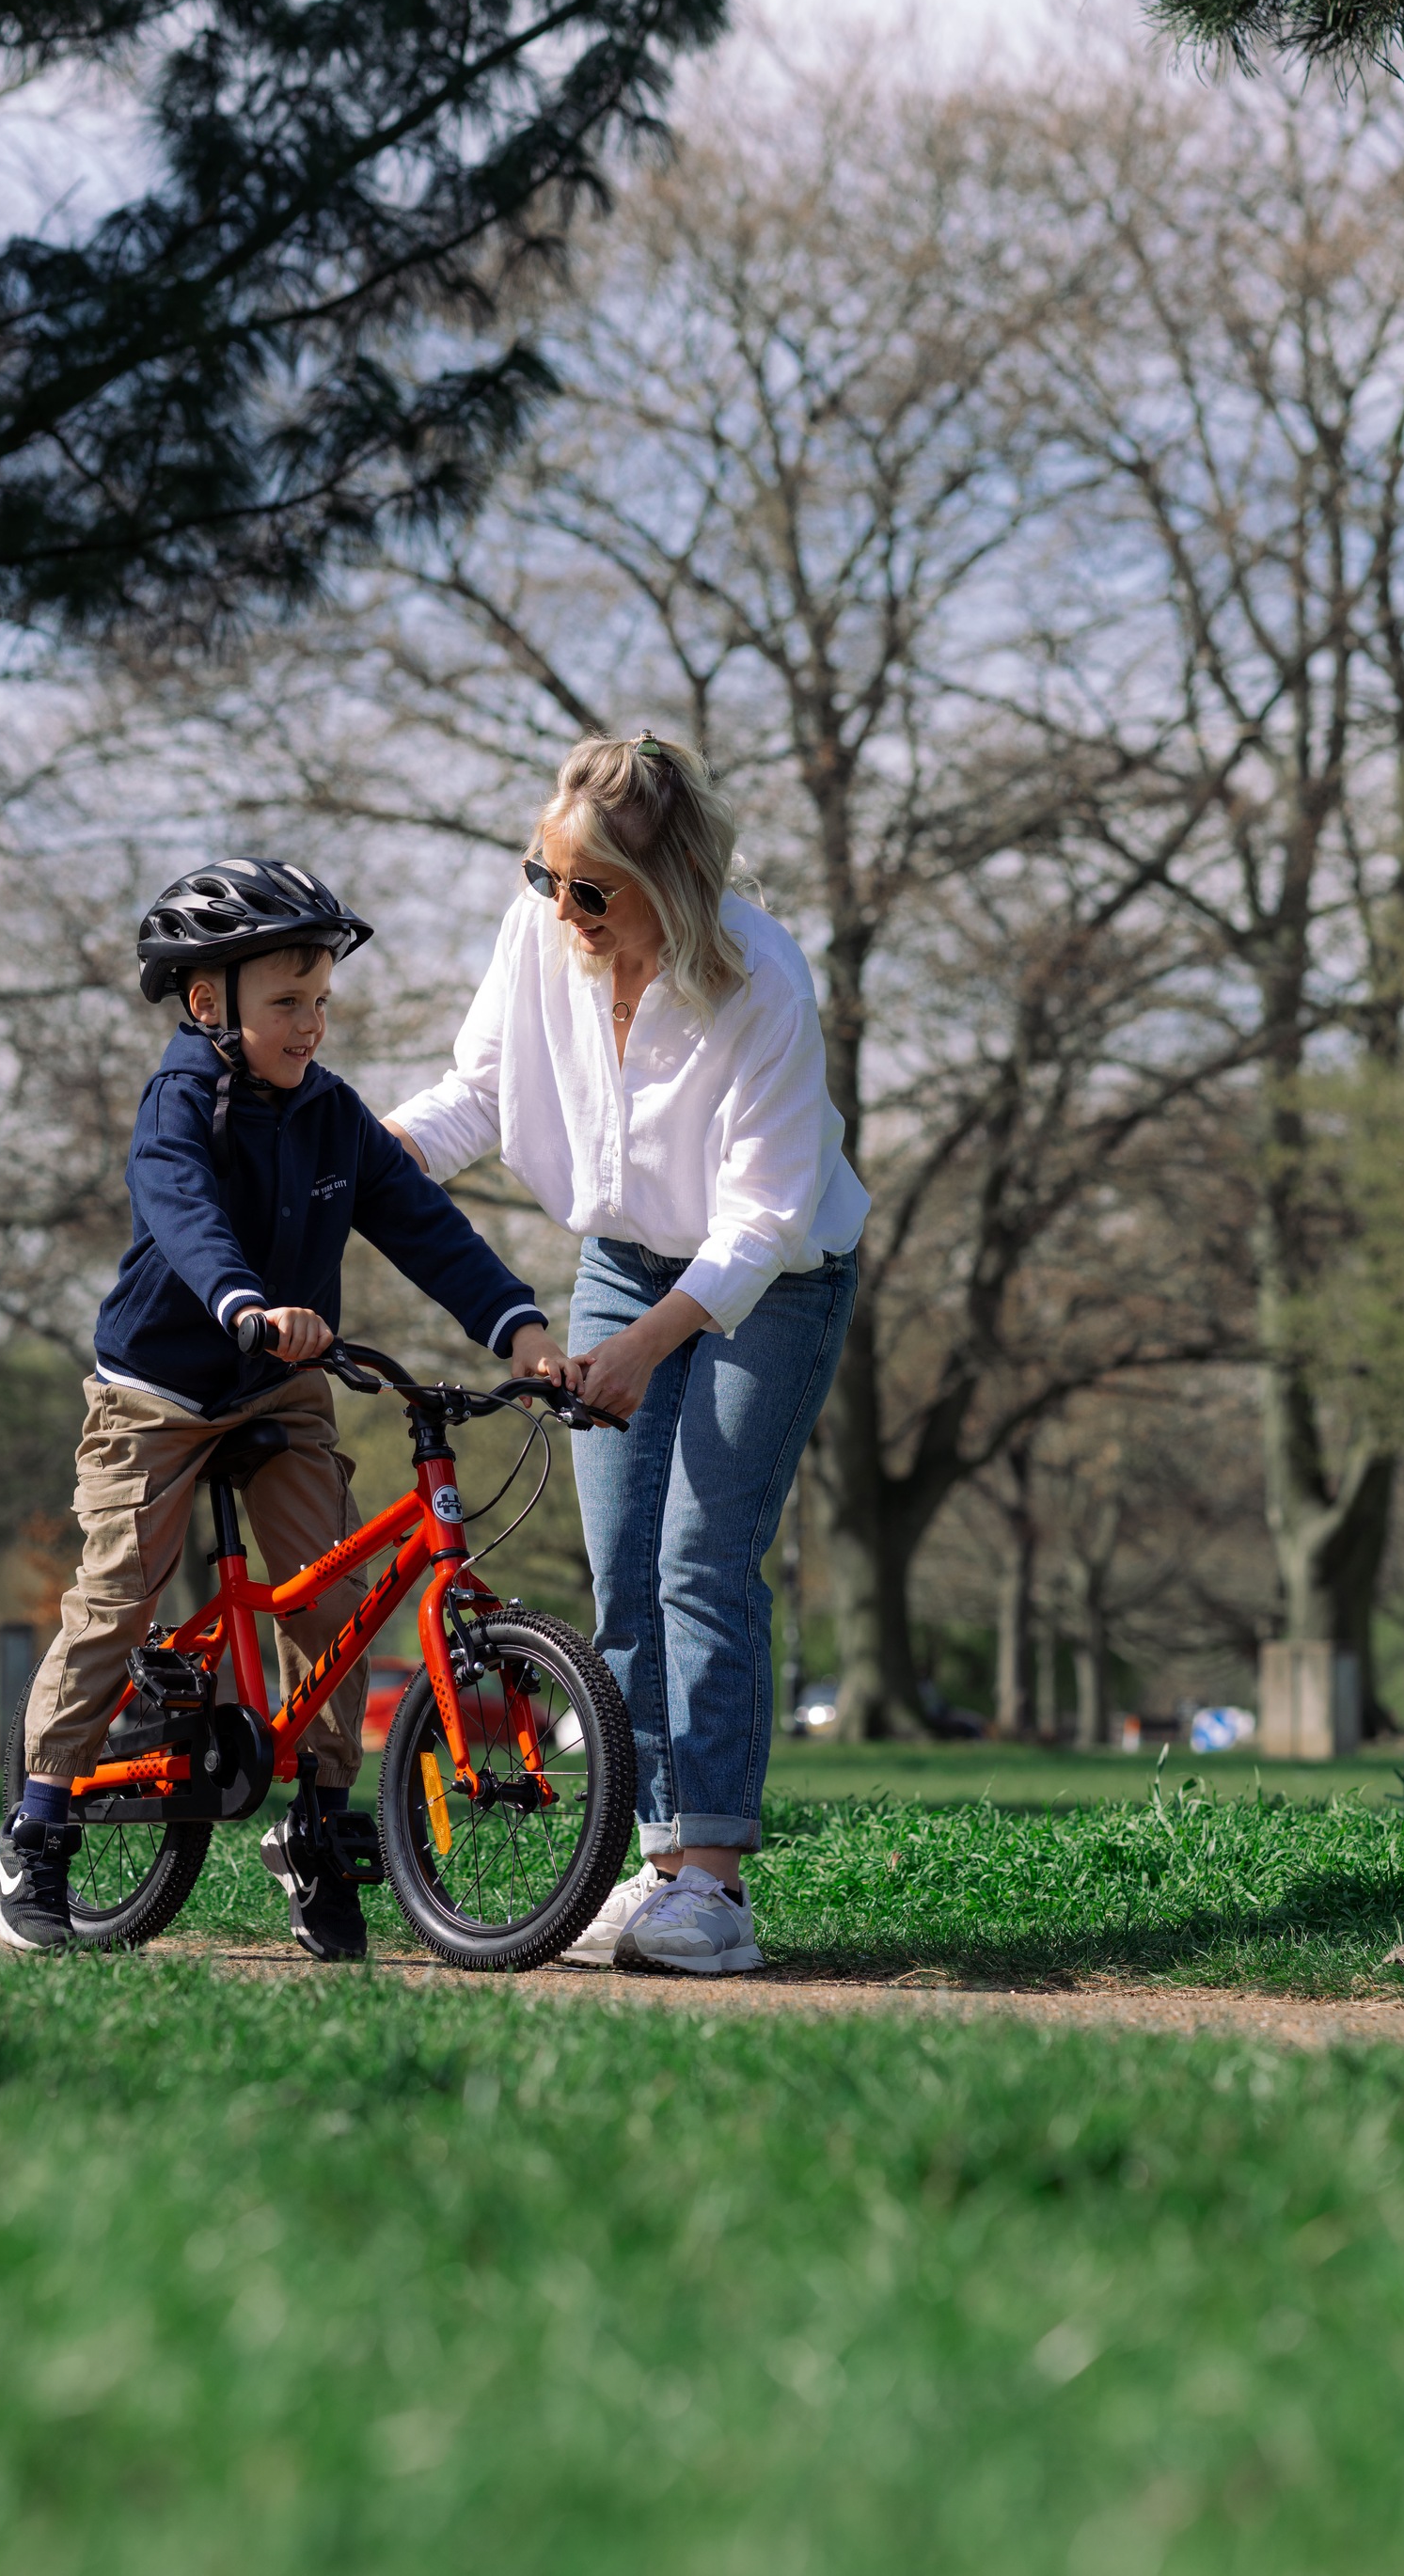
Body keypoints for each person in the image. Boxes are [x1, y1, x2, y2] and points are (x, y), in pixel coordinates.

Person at [0, 857, 570, 1960]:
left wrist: (522, 1331)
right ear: (210, 1003)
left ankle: (319, 1823)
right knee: (118, 1592)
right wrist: (245, 1298)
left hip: (279, 1381)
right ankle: (38, 1825)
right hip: (157, 1388)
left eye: (322, 1002)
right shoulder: (179, 1101)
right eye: (286, 1002)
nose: (311, 1024)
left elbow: (428, 1228)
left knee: (332, 1601)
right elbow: (185, 1208)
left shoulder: (334, 1115)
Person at [384, 736, 865, 1975]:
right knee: (624, 1581)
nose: (560, 908)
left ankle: (713, 1888)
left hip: (773, 1278)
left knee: (700, 1559)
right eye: (545, 877)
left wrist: (652, 1347)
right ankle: (646, 1867)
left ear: (673, 883)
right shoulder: (537, 934)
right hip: (620, 1260)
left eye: (590, 889)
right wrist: (355, 1157)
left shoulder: (760, 975)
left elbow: (761, 1221)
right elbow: (477, 1095)